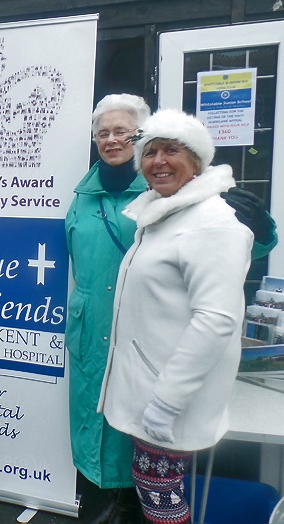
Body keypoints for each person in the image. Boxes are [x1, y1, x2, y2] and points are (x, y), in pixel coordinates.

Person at [65, 95, 277, 524]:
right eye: (103, 132)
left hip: (153, 358)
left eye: (123, 131)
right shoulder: (85, 197)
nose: (112, 139)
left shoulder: (173, 197)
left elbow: (218, 293)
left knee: (149, 486)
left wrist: (262, 229)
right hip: (96, 345)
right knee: (105, 461)